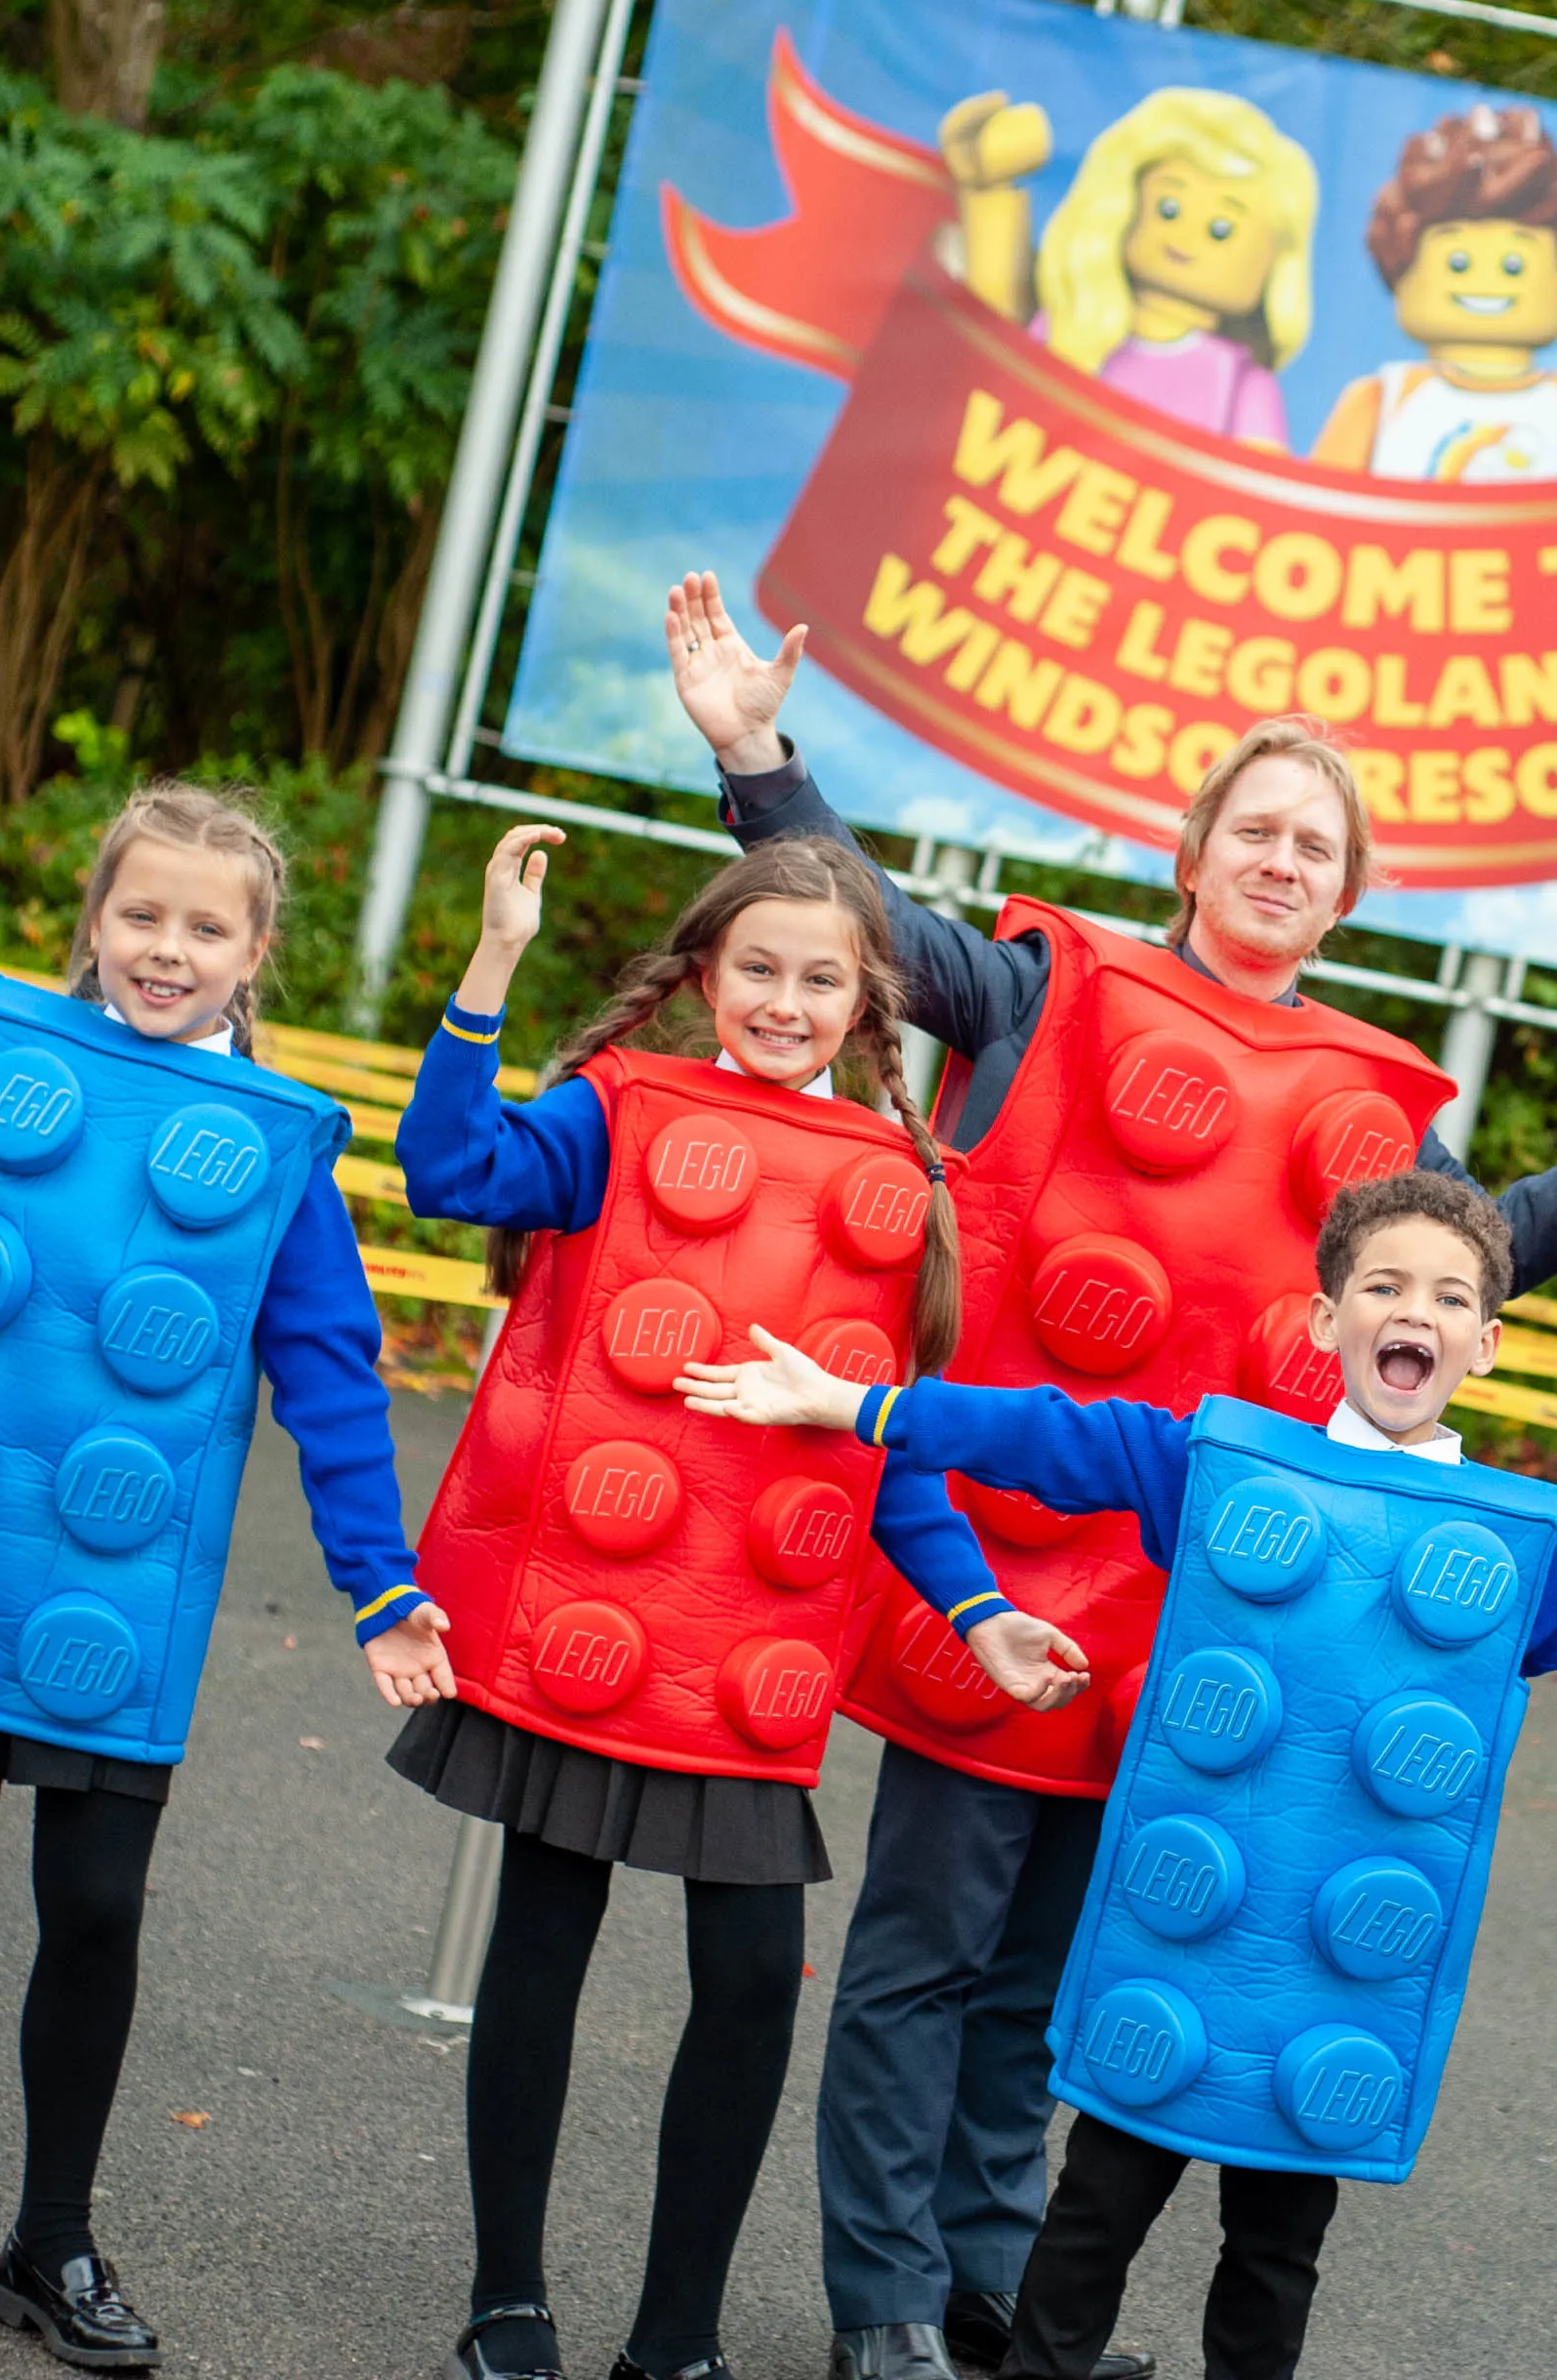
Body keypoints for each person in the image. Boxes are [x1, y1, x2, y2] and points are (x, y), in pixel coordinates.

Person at [660, 570, 1557, 2380]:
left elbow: (1461, 1253)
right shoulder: (1051, 985)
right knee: (920, 1955)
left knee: (1058, 1967)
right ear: (1192, 851)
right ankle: (880, 2308)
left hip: (1217, 1593)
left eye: (1313, 845)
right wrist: (760, 763)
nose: (1279, 860)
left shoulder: (1378, 1098)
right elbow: (876, 929)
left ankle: (990, 2286)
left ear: (1346, 893)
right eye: (1253, 827)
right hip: (998, 1546)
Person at [678, 1168, 1557, 2380]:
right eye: (1381, 1286)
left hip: (1340, 1980)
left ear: (1485, 1347)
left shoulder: (1520, 1544)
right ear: (1325, 1323)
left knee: (1272, 2263)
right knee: (1088, 2228)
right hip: (1177, 1943)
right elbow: (1047, 1435)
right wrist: (853, 1405)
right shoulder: (1219, 1461)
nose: (1409, 1312)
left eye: (1445, 1296)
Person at [0, 667, 453, 2373]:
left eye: (203, 929)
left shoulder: (274, 1140)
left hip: (112, 1602)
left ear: (252, 956)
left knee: (95, 1906)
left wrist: (381, 1585)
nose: (167, 947)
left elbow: (332, 1364)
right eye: (139, 911)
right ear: (92, 919)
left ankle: (49, 2243)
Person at [386, 828, 1090, 2380]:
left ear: (865, 1004)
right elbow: (447, 1171)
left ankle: (677, 2339)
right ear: (704, 974)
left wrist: (977, 1614)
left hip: (749, 1655)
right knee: (543, 1946)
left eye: (818, 978)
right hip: (587, 1613)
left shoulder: (901, 1183)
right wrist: (493, 961)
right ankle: (510, 2301)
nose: (783, 1000)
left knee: (756, 1979)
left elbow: (889, 1455)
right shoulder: (619, 1110)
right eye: (757, 968)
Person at [1308, 103, 1557, 480]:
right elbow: (1317, 504)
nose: (1485, 282)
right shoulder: (1381, 400)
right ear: (1401, 266)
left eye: (1515, 265)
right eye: (1457, 263)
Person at [940, 85, 1318, 447]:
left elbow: (1257, 492)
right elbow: (991, 343)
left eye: (1221, 230)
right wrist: (987, 187)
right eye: (1169, 209)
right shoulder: (1070, 327)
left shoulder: (1241, 385)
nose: (1185, 239)